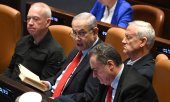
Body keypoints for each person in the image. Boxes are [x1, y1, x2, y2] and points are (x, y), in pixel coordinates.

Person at [42, 12, 102, 102]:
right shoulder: (77, 49)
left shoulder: (100, 57)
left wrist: (57, 99)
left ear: (95, 32)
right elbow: (61, 76)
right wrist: (48, 83)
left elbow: (88, 96)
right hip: (50, 94)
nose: (77, 38)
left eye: (82, 33)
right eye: (74, 32)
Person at [3, 2, 65, 81]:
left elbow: (43, 86)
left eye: (36, 19)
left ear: (47, 22)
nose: (30, 23)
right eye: (28, 18)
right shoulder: (22, 41)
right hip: (12, 86)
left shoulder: (55, 52)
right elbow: (10, 69)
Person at [89, 43, 158, 102]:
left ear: (110, 65)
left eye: (95, 70)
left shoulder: (135, 87)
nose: (94, 75)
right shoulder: (106, 80)